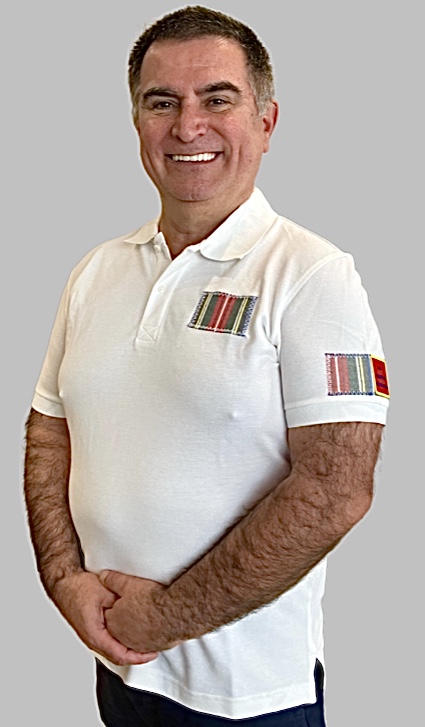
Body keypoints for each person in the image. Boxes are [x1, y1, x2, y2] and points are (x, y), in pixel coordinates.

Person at [24, 5, 390, 726]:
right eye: (162, 102)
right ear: (137, 122)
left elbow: (336, 489)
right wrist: (65, 580)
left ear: (267, 121)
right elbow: (48, 432)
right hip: (119, 674)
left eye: (217, 99)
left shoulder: (314, 277)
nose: (188, 127)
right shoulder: (96, 272)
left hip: (246, 697)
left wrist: (162, 617)